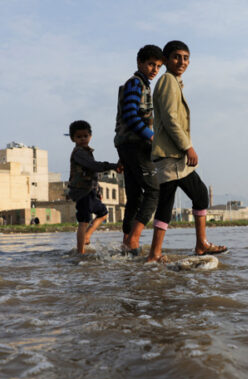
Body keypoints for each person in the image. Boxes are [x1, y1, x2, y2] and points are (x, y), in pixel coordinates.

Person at [146, 40, 227, 263]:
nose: (182, 62)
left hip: (170, 155)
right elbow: (172, 119)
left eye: (186, 58)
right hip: (172, 155)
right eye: (177, 57)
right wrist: (187, 147)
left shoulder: (172, 82)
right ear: (166, 59)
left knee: (169, 202)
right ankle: (198, 245)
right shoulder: (168, 81)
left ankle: (156, 254)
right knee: (199, 194)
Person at [114, 44, 164, 256]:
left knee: (134, 196)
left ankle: (126, 242)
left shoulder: (139, 84)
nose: (154, 69)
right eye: (151, 64)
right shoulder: (136, 84)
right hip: (136, 145)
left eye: (158, 66)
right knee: (153, 191)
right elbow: (131, 116)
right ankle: (134, 239)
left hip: (125, 144)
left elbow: (123, 120)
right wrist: (151, 136)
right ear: (140, 63)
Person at [67, 120, 121, 254]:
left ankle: (87, 236)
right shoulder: (79, 153)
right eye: (79, 137)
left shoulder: (87, 151)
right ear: (73, 138)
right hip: (82, 193)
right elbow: (94, 166)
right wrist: (113, 166)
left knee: (103, 213)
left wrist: (98, 191)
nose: (83, 139)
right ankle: (81, 252)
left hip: (90, 192)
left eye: (85, 136)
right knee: (83, 222)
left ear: (90, 136)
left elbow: (93, 174)